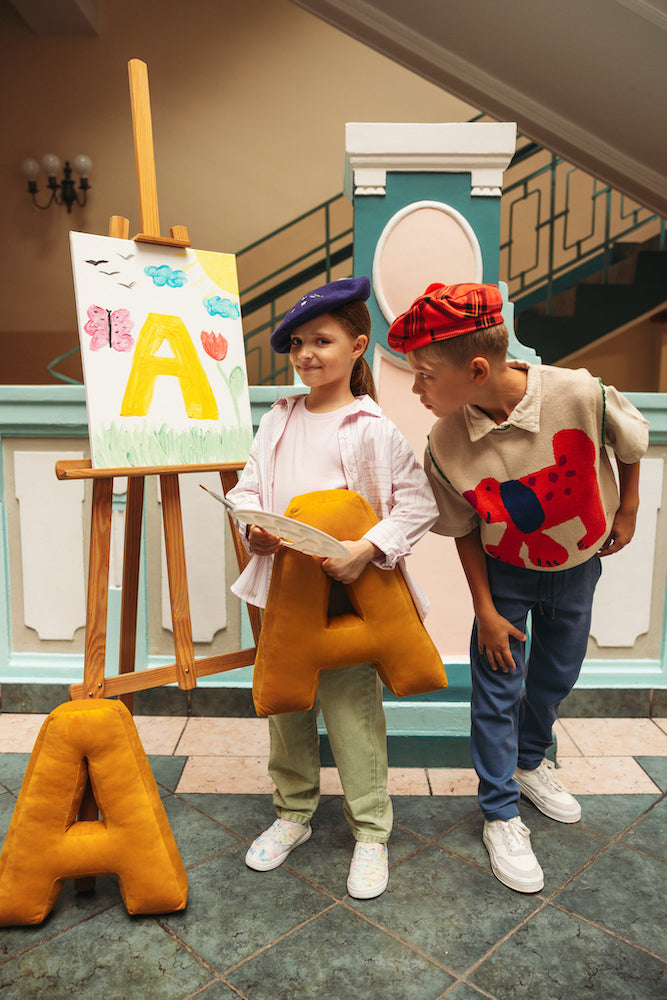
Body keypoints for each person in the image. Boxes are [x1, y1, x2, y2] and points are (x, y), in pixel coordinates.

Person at [387, 281, 649, 893]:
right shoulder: (444, 443)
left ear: (476, 368)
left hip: (578, 566)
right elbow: (462, 530)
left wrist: (628, 508)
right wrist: (484, 609)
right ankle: (500, 811)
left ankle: (531, 761)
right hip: (504, 576)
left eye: (423, 376)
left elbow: (630, 440)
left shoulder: (578, 392)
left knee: (558, 672)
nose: (417, 390)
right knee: (497, 691)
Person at [226, 276, 438, 899]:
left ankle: (371, 832)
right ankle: (292, 813)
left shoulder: (373, 426)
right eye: (297, 344)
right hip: (281, 592)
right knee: (287, 707)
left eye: (322, 340)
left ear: (357, 346)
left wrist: (365, 551)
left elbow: (415, 504)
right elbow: (247, 488)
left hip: (348, 594)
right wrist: (253, 529)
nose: (306, 354)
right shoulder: (278, 419)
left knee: (352, 713)